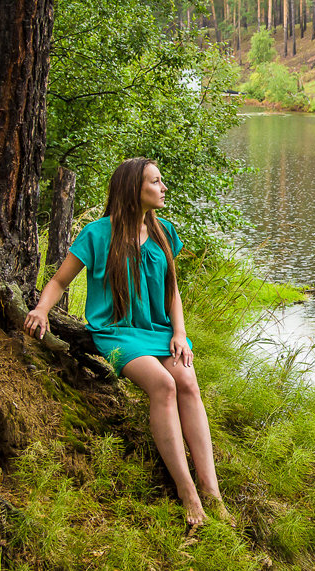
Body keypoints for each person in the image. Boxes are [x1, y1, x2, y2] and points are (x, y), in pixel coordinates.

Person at [24, 157, 227, 529]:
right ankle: (188, 493)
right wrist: (39, 310)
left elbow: (173, 292)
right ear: (134, 188)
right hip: (117, 332)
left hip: (160, 330)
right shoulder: (97, 234)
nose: (163, 187)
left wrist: (180, 334)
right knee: (164, 385)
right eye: (156, 181)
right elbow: (59, 282)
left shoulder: (164, 231)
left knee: (188, 383)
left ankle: (212, 491)